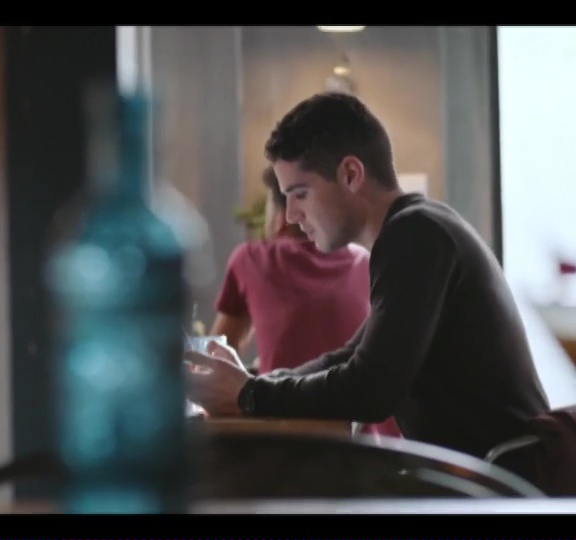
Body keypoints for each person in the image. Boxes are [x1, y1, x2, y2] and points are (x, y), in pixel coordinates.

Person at [185, 92, 549, 482]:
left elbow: (370, 390)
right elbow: (349, 357)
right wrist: (252, 385)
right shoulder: (418, 227)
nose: (290, 216)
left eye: (300, 194)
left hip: (501, 487)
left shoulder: (415, 235)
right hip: (480, 478)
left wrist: (250, 395)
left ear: (351, 174)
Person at [211, 166, 398, 437]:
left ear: (282, 214)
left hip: (283, 438)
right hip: (365, 443)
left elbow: (219, 349)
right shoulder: (366, 261)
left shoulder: (251, 259)